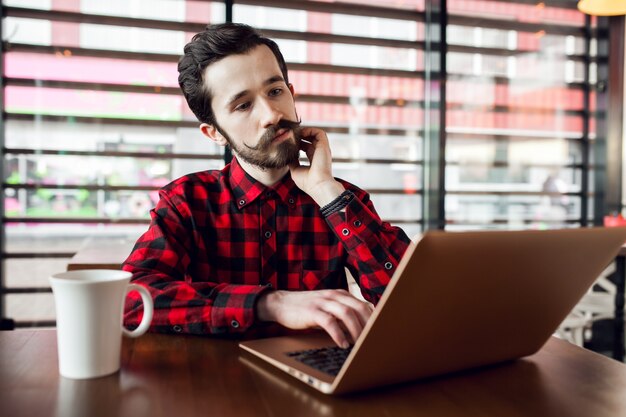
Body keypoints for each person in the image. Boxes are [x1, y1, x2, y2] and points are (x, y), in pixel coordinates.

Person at [123, 23, 411, 349]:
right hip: (216, 385)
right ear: (214, 133)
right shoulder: (186, 202)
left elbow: (413, 304)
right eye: (243, 105)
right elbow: (129, 300)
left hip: (322, 385)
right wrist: (271, 304)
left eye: (275, 92)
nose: (272, 115)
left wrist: (326, 192)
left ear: (292, 93)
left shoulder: (340, 200)